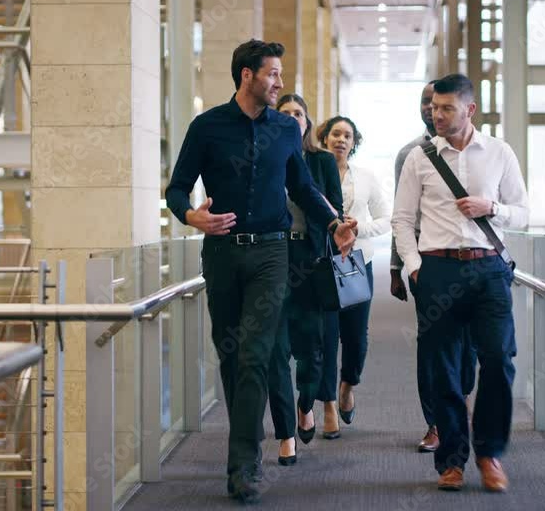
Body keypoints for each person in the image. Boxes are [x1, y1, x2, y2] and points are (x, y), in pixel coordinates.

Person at [165, 40, 357, 504]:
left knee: (254, 355)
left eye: (280, 73)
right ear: (247, 76)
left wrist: (333, 222)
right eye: (272, 74)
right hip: (223, 255)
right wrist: (192, 217)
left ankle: (244, 465)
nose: (279, 82)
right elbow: (176, 189)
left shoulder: (286, 131)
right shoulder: (207, 127)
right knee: (232, 359)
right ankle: (244, 449)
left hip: (273, 255)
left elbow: (304, 187)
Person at [392, 73, 529, 493]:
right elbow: (402, 219)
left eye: (446, 108)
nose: (437, 114)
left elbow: (524, 212)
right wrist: (414, 266)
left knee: (498, 360)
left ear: (469, 110)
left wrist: (493, 208)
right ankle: (451, 459)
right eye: (434, 107)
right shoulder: (420, 157)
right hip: (437, 270)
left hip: (488, 269)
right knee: (443, 368)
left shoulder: (499, 152)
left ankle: (489, 453)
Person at [390, 80, 477, 453]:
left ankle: (459, 405)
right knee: (432, 348)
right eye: (425, 102)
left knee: (468, 350)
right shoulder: (410, 154)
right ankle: (436, 423)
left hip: (471, 265)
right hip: (428, 265)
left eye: (438, 103)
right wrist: (401, 268)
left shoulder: (480, 151)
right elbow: (402, 216)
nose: (431, 109)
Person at [267, 94, 344, 465]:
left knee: (313, 347)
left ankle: (305, 403)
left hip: (311, 259)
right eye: (286, 113)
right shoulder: (266, 158)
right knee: (278, 349)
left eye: (300, 113)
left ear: (309, 122)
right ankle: (286, 434)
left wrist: (336, 226)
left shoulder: (322, 160)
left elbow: (335, 209)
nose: (294, 118)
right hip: (273, 259)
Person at [315, 116, 390, 438]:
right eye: (335, 134)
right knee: (325, 337)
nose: (341, 140)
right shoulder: (311, 174)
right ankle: (329, 404)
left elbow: (386, 218)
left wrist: (361, 231)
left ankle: (348, 385)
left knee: (356, 336)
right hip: (319, 263)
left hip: (357, 262)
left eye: (347, 135)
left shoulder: (366, 178)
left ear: (354, 142)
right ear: (325, 138)